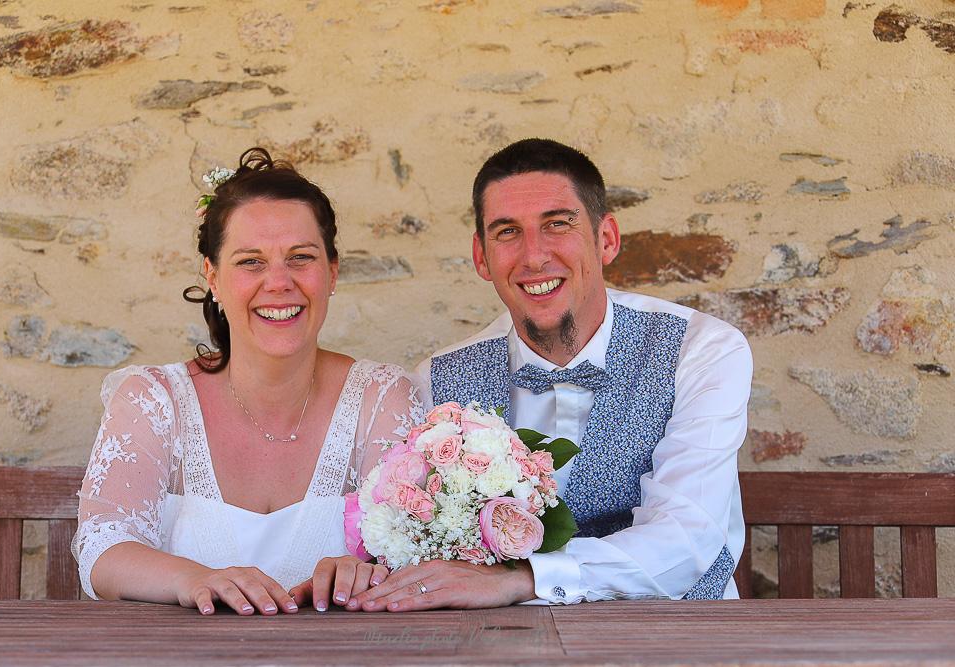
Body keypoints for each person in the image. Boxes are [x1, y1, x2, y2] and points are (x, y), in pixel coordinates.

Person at [350, 138, 752, 611]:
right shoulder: (439, 380)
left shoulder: (700, 350)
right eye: (507, 232)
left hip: (683, 635)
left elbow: (687, 540)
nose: (534, 256)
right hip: (505, 645)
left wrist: (524, 579)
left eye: (558, 224)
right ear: (481, 257)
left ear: (606, 239)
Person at [72, 148, 422, 615]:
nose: (278, 282)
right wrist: (194, 578)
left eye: (300, 257)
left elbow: (417, 552)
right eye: (251, 262)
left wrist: (372, 571)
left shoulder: (381, 398)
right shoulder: (153, 400)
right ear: (213, 277)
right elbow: (102, 548)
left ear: (332, 271)